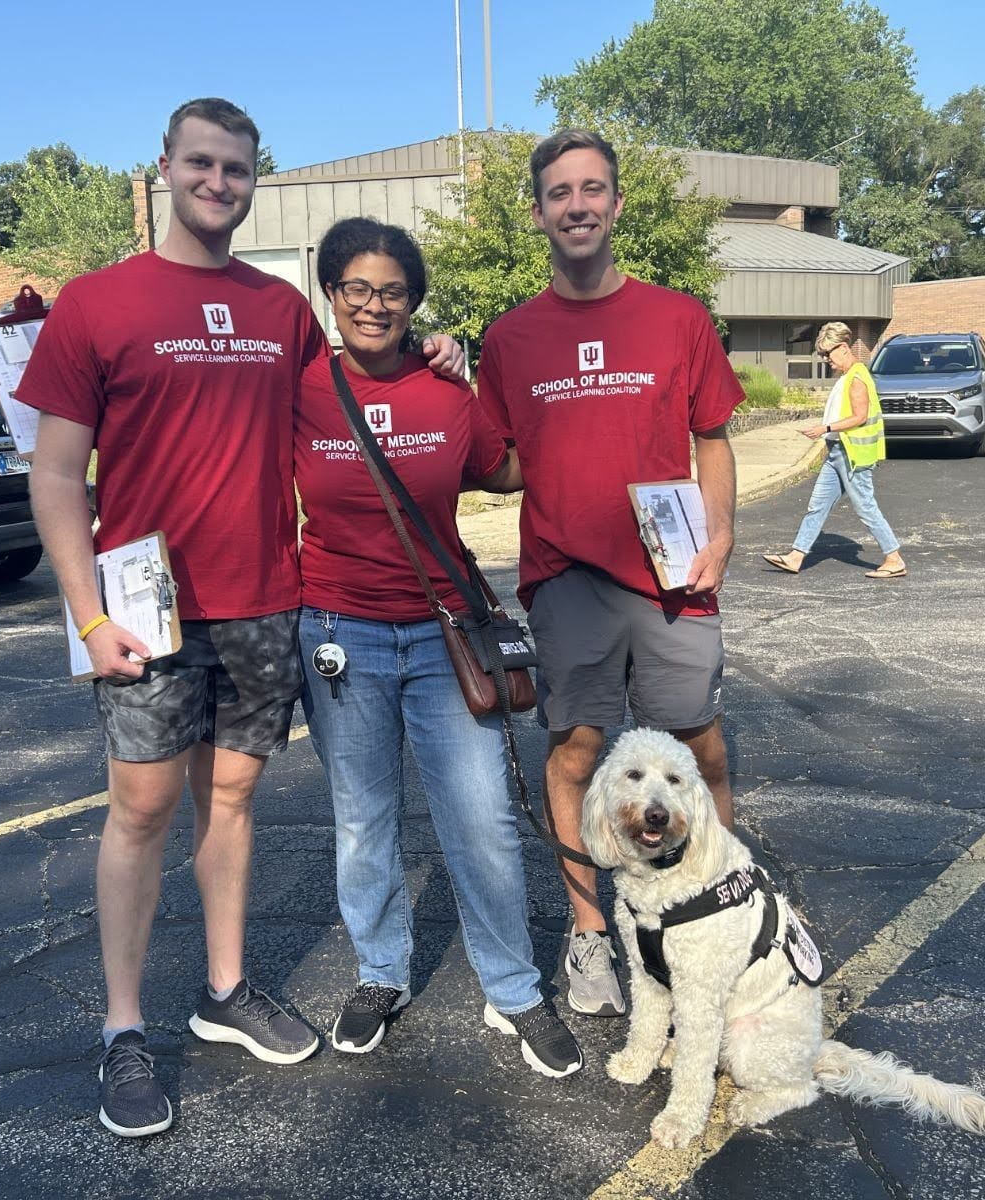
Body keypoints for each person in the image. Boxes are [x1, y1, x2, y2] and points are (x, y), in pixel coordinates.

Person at [21, 98, 466, 1138]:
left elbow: (355, 394)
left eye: (237, 169)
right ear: (166, 167)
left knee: (232, 804)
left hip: (266, 597)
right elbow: (52, 475)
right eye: (202, 164)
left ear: (254, 179)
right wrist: (87, 620)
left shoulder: (279, 311)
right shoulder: (96, 303)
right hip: (143, 610)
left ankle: (225, 991)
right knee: (138, 813)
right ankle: (124, 1031)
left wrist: (438, 361)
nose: (219, 182)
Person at [294, 217, 583, 1077]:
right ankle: (380, 976)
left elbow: (508, 468)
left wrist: (486, 371)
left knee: (483, 822)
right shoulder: (300, 388)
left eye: (392, 291)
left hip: (442, 635)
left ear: (414, 302)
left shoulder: (447, 386)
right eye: (358, 289)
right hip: (338, 631)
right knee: (363, 823)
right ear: (332, 294)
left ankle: (515, 989)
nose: (374, 305)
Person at [475, 129, 745, 1021]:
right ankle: (591, 935)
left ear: (617, 203)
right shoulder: (510, 338)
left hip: (672, 577)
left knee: (695, 748)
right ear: (541, 211)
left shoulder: (676, 318)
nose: (578, 204)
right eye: (560, 192)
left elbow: (713, 437)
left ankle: (715, 916)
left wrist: (723, 532)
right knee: (578, 756)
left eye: (593, 189)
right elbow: (506, 461)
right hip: (567, 580)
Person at [762, 321, 905, 579]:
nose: (826, 359)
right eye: (823, 354)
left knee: (865, 507)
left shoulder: (857, 377)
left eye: (828, 353)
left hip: (852, 455)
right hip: (837, 454)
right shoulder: (847, 377)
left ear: (843, 348)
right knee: (817, 505)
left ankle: (893, 558)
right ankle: (796, 557)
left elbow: (860, 417)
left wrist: (824, 428)